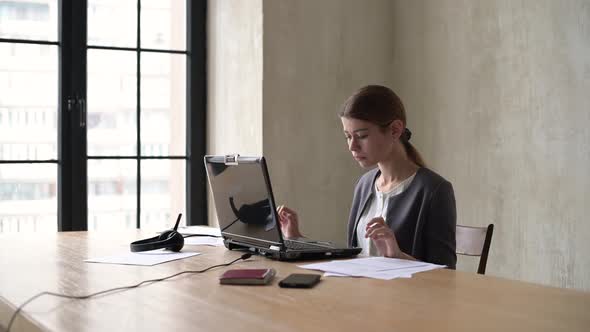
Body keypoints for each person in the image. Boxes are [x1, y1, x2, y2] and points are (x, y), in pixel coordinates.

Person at [277, 85, 457, 268]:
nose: (352, 146)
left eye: (361, 136)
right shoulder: (364, 185)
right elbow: (352, 259)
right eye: (348, 136)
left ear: (395, 130)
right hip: (360, 293)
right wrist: (296, 239)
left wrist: (398, 256)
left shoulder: (434, 190)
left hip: (404, 297)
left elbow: (448, 275)